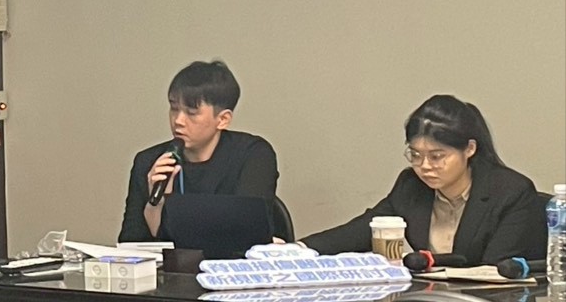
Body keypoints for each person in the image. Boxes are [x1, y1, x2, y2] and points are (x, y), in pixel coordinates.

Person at [301, 95, 545, 264]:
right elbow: (366, 228)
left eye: (437, 156)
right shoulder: (411, 185)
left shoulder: (511, 192)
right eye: (416, 155)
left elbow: (496, 270)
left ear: (469, 149)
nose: (425, 166)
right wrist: (299, 250)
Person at [120, 60, 279, 242]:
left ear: (223, 120)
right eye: (174, 108)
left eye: (191, 112)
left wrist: (170, 215)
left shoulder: (253, 155)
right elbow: (130, 243)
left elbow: (245, 231)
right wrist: (156, 204)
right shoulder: (149, 161)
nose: (178, 120)